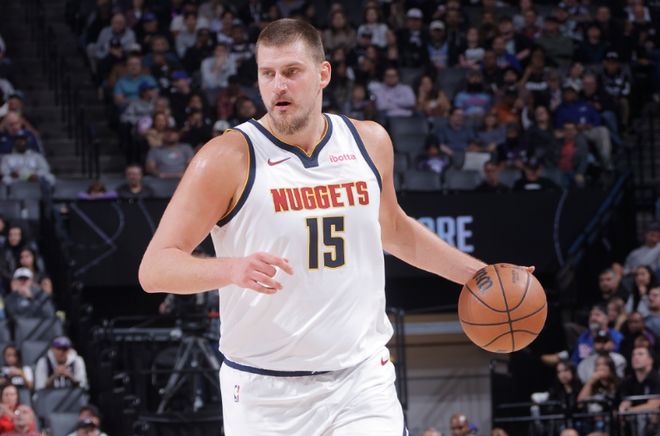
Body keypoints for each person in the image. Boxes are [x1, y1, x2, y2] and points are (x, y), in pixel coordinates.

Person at [139, 18, 525, 435]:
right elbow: (155, 268)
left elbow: (395, 229)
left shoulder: (368, 142)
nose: (278, 86)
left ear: (323, 74)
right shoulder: (226, 158)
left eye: (291, 71)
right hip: (266, 394)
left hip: (362, 380)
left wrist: (481, 275)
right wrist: (230, 269)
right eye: (267, 74)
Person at [618, 347, 660, 435]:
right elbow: (625, 401)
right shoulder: (628, 381)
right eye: (633, 355)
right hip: (633, 424)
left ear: (650, 360)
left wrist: (629, 411)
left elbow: (653, 405)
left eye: (640, 354)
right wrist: (623, 407)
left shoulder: (657, 379)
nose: (635, 357)